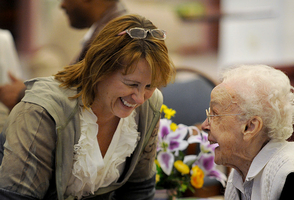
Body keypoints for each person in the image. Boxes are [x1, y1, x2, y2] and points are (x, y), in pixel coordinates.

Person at [0, 14, 176, 200]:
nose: (140, 98)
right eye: (131, 84)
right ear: (100, 69)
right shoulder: (41, 112)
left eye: (149, 86)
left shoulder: (150, 104)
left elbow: (139, 192)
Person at [201, 65, 294, 200]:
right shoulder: (241, 175)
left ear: (250, 127)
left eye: (215, 114)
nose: (205, 125)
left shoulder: (291, 176)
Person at [0, 0, 127, 111]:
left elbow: (82, 100)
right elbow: (74, 84)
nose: (62, 5)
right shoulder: (107, 28)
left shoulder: (113, 39)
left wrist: (25, 93)